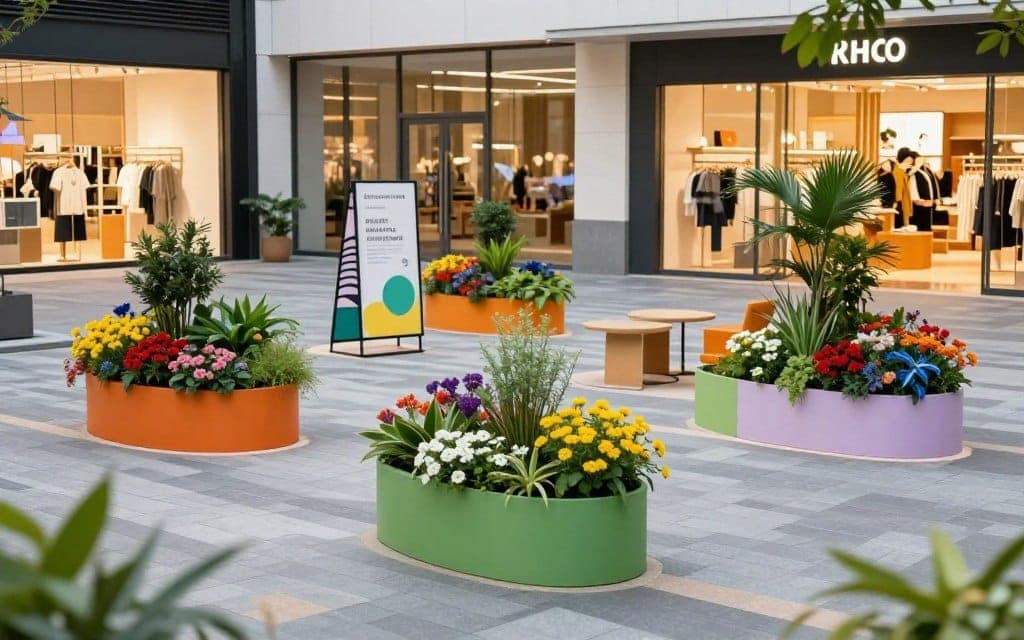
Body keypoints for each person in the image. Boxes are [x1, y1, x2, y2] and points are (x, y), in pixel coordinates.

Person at [892, 147, 914, 228]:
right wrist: (898, 204)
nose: (909, 165)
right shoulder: (897, 171)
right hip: (899, 204)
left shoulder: (903, 172)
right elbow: (898, 189)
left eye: (910, 163)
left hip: (903, 203)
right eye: (907, 162)